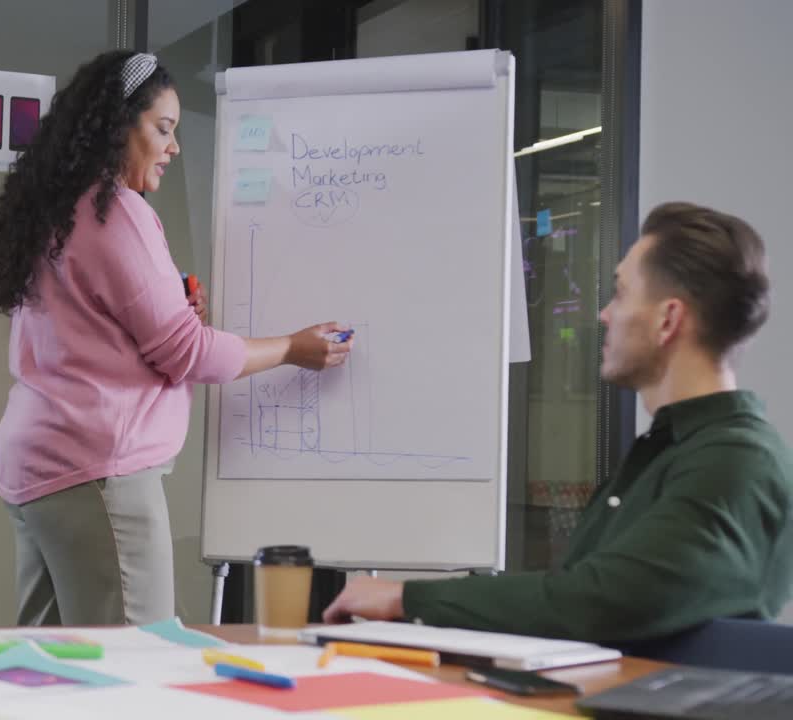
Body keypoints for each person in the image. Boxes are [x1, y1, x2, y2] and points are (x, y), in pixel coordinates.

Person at [0, 50, 353, 627]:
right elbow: (190, 352)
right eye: (163, 128)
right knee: (136, 660)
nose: (174, 147)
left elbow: (94, 329)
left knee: (54, 661)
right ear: (117, 127)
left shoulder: (55, 209)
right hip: (97, 470)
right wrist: (291, 347)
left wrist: (174, 311)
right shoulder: (115, 212)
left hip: (38, 467)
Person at [323, 202, 793, 645]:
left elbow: (605, 600)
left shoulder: (736, 460)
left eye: (620, 293)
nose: (604, 315)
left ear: (668, 319)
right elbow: (578, 594)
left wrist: (407, 599)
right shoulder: (673, 450)